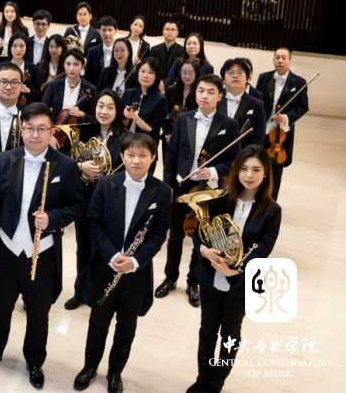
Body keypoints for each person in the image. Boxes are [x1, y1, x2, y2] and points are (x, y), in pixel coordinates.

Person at [0, 103, 85, 389]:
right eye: (30, 128)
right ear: (21, 130)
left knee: (38, 313)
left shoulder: (66, 165)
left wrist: (53, 218)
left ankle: (34, 361)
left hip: (41, 253)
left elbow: (77, 206)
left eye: (42, 129)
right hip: (6, 248)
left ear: (52, 131)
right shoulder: (5, 159)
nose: (35, 134)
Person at [74, 133, 171, 393]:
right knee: (98, 323)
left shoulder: (163, 191)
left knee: (127, 327)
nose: (136, 160)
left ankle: (115, 372)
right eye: (131, 154)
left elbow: (159, 234)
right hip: (105, 266)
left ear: (153, 157)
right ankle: (90, 367)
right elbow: (92, 222)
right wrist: (111, 255)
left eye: (143, 155)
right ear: (122, 156)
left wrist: (135, 261)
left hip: (137, 273)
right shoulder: (106, 183)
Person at [187, 145, 282, 393]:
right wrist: (204, 250)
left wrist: (236, 270)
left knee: (230, 333)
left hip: (240, 284)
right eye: (244, 168)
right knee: (207, 330)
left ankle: (217, 382)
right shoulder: (220, 197)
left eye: (256, 170)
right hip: (210, 277)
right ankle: (203, 377)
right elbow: (201, 232)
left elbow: (262, 250)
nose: (249, 175)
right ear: (237, 170)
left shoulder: (272, 211)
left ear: (266, 173)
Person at [160, 74, 241, 308]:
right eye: (201, 91)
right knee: (175, 236)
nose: (204, 96)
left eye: (210, 92)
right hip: (182, 185)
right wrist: (168, 187)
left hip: (209, 190)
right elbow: (171, 156)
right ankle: (170, 277)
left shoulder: (230, 125)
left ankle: (193, 281)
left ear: (220, 96)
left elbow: (234, 160)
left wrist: (214, 171)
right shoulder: (183, 118)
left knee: (202, 238)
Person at [62, 90, 125, 312]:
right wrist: (81, 166)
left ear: (117, 111)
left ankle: (102, 291)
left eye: (110, 107)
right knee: (83, 247)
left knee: (106, 248)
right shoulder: (83, 132)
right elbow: (66, 161)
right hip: (85, 197)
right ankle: (80, 291)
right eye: (100, 106)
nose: (104, 111)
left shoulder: (125, 137)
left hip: (112, 201)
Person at [256, 47, 309, 201]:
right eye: (277, 57)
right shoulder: (263, 77)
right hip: (263, 129)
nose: (280, 60)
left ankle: (271, 202)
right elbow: (257, 101)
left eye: (284, 58)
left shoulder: (299, 82)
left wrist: (286, 117)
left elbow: (303, 107)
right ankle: (256, 198)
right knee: (258, 164)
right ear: (273, 60)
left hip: (281, 134)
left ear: (289, 61)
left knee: (275, 169)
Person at [120, 58, 169, 173]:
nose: (145, 75)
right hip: (124, 146)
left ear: (156, 76)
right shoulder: (128, 93)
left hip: (145, 150)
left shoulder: (160, 100)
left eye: (150, 72)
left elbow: (153, 130)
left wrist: (135, 118)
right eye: (142, 71)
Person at [42, 47, 96, 135]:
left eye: (76, 64)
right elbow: (43, 109)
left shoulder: (90, 89)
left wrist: (82, 114)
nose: (71, 68)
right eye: (68, 64)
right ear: (64, 64)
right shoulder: (54, 85)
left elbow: (93, 118)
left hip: (79, 135)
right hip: (55, 133)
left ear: (83, 66)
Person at [218, 58, 266, 148]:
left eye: (240, 72)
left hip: (243, 155)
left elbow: (258, 139)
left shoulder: (257, 105)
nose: (235, 76)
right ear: (223, 79)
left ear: (247, 78)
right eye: (230, 73)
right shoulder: (214, 101)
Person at [0, 63, 27, 155]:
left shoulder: (30, 114)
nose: (9, 87)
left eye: (14, 82)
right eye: (3, 82)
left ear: (21, 85)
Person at [4, 32, 41, 102]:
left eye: (21, 46)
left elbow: (38, 92)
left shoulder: (33, 68)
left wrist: (28, 90)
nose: (18, 50)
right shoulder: (1, 67)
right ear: (10, 47)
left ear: (26, 47)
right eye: (15, 46)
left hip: (26, 106)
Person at [0, 1, 29, 68]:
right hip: (0, 61)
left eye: (12, 11)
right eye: (7, 12)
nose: (9, 14)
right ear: (3, 13)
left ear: (16, 13)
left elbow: (26, 48)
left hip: (16, 62)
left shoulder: (23, 30)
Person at [148, 21, 183, 92]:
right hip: (155, 85)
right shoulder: (155, 49)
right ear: (163, 31)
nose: (170, 32)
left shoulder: (182, 51)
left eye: (173, 30)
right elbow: (150, 68)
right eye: (167, 29)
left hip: (174, 87)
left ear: (177, 33)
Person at [85, 16, 119, 82]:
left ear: (116, 31)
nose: (107, 33)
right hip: (96, 88)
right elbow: (87, 76)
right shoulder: (92, 51)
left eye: (110, 30)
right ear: (99, 31)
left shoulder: (120, 52)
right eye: (104, 30)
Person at [38, 34, 67, 100]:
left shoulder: (66, 67)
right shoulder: (40, 65)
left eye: (57, 47)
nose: (53, 50)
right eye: (51, 46)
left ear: (62, 48)